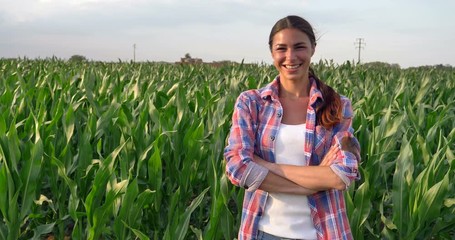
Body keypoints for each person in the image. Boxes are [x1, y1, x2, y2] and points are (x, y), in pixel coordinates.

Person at [224, 15, 361, 240]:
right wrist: (312, 184)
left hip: (325, 232)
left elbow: (341, 175)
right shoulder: (251, 103)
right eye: (281, 48)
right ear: (272, 53)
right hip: (263, 232)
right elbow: (238, 167)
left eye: (299, 47)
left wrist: (265, 165)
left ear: (313, 49)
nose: (290, 57)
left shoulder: (337, 105)